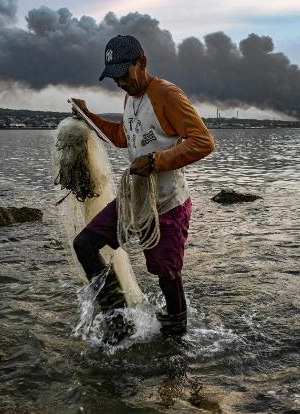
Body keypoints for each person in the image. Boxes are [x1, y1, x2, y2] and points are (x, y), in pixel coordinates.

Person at [71, 34, 214, 337]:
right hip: (135, 199)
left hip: (167, 203)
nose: (120, 82)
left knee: (168, 275)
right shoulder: (131, 97)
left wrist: (154, 162)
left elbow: (203, 141)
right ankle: (118, 320)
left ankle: (176, 340)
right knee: (84, 245)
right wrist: (89, 117)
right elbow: (124, 137)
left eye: (124, 74)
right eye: (114, 78)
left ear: (142, 63)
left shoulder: (166, 94)